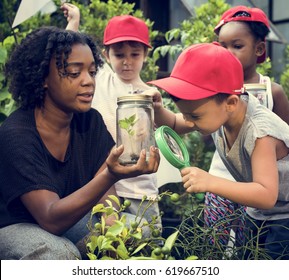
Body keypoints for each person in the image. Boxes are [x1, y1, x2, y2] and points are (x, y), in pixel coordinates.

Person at [0, 26, 159, 260]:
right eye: (75, 73)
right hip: (16, 227)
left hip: (70, 221)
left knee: (137, 228)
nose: (88, 82)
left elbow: (107, 198)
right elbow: (50, 219)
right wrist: (111, 174)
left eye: (92, 72)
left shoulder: (89, 121)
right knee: (57, 253)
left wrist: (114, 230)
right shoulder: (17, 134)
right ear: (43, 77)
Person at [147, 42, 289, 259]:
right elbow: (175, 124)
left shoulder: (259, 132)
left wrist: (210, 182)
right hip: (256, 212)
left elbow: (267, 194)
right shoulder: (216, 112)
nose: (189, 122)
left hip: (283, 217)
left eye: (194, 117)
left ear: (231, 102)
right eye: (186, 114)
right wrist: (157, 110)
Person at [61, 3, 181, 231]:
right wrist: (74, 21)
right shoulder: (102, 78)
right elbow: (71, 50)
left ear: (146, 54)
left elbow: (169, 127)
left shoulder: (150, 95)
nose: (127, 61)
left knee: (149, 240)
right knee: (108, 240)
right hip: (103, 184)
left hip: (141, 187)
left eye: (135, 54)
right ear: (106, 55)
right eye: (119, 54)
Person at [204, 6, 289, 247]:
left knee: (246, 248)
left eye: (237, 46)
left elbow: (285, 144)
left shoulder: (272, 91)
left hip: (257, 188)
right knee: (214, 246)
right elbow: (205, 132)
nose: (228, 53)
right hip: (219, 179)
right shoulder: (214, 91)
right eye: (223, 46)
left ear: (259, 48)